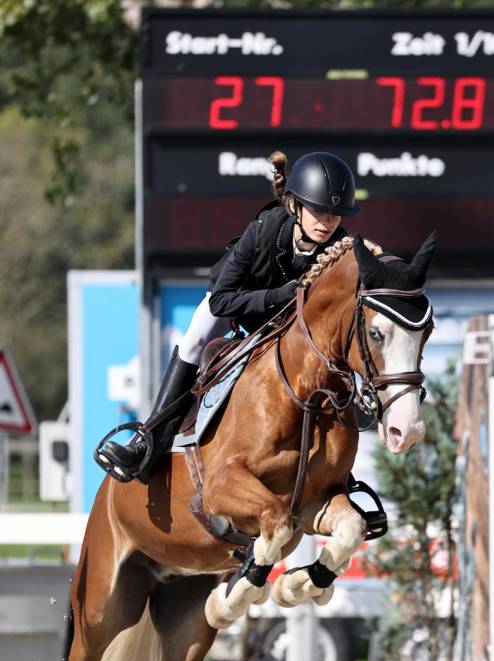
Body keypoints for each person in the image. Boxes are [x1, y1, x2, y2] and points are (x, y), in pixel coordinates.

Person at [95, 150, 359, 483]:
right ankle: (147, 441)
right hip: (236, 306)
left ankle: (339, 475)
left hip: (289, 325)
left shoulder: (341, 248)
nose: (327, 223)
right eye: (319, 211)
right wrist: (279, 295)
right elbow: (221, 300)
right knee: (193, 341)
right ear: (294, 205)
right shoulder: (263, 229)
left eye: (336, 215)